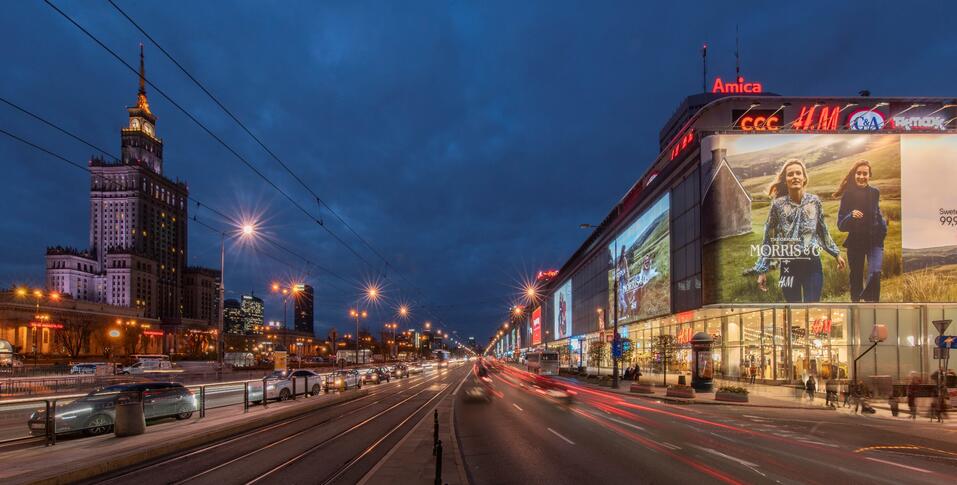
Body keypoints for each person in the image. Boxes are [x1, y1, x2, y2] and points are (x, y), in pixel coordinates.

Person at [748, 159, 846, 302]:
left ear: (804, 178)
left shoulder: (815, 201)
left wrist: (836, 254)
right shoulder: (777, 206)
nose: (795, 176)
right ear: (785, 180)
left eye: (798, 173)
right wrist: (763, 269)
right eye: (790, 174)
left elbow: (822, 230)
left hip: (812, 263)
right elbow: (768, 238)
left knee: (811, 306)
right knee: (793, 309)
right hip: (788, 266)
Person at [834, 160, 887, 302]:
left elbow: (876, 213)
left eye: (865, 173)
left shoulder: (875, 192)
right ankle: (856, 305)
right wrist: (850, 215)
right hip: (855, 243)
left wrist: (883, 229)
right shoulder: (848, 195)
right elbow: (840, 225)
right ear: (854, 174)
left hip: (874, 241)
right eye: (859, 173)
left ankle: (872, 304)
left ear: (869, 175)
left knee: (875, 273)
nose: (862, 176)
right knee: (856, 277)